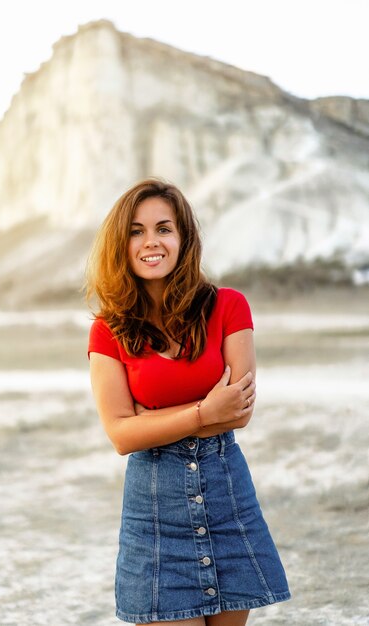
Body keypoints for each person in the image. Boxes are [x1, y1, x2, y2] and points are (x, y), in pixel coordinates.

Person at [85, 178, 290, 626]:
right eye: (136, 231)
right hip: (154, 509)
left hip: (226, 495)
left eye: (164, 228)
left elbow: (238, 410)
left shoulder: (229, 306)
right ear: (121, 244)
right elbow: (121, 435)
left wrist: (153, 420)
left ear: (183, 239)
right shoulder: (108, 330)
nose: (151, 241)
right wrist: (202, 411)